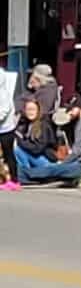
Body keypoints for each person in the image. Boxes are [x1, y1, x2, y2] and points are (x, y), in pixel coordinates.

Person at [14, 98, 81, 187]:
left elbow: (77, 151)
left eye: (73, 109)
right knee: (55, 171)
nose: (69, 112)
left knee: (54, 170)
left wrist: (64, 163)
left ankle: (22, 175)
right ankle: (24, 176)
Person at [0, 62, 18, 192]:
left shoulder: (3, 93)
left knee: (8, 154)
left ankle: (14, 180)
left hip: (6, 129)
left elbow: (4, 111)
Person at [25, 62, 60, 127]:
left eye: (33, 76)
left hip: (39, 125)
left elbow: (41, 112)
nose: (31, 78)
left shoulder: (47, 91)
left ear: (40, 78)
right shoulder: (44, 88)